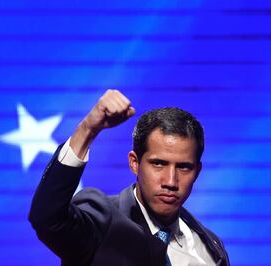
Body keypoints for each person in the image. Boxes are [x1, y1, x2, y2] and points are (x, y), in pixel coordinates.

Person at [29, 90, 230, 266]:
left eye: (184, 167)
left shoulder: (210, 248)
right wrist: (88, 130)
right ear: (135, 163)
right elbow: (47, 218)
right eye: (158, 163)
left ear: (197, 171)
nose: (170, 181)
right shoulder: (101, 222)